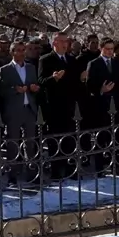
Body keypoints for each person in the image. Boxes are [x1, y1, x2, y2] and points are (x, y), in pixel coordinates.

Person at [0, 41, 41, 185]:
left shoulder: (31, 67)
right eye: (18, 50)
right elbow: (1, 90)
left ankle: (32, 173)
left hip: (29, 108)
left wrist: (34, 88)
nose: (21, 53)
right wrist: (14, 90)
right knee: (13, 143)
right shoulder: (5, 69)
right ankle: (12, 174)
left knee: (30, 143)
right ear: (12, 52)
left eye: (23, 50)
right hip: (14, 110)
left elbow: (35, 85)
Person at [38, 32, 81, 181]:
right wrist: (53, 78)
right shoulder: (46, 59)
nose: (66, 44)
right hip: (54, 106)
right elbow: (41, 81)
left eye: (67, 41)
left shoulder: (72, 60)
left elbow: (76, 81)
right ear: (55, 42)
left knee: (70, 139)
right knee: (54, 140)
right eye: (63, 41)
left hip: (70, 105)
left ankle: (71, 169)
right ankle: (56, 170)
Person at [84, 38, 119, 174]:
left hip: (116, 104)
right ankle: (99, 167)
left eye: (111, 49)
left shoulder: (117, 63)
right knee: (101, 136)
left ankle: (116, 165)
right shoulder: (94, 63)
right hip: (101, 105)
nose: (110, 51)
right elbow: (89, 85)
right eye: (107, 49)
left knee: (116, 136)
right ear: (101, 48)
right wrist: (101, 90)